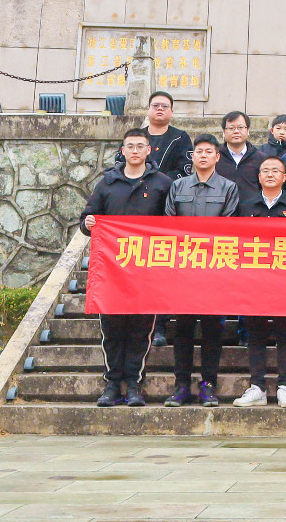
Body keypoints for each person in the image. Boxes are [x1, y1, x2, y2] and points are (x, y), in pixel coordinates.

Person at [80, 130, 171, 407]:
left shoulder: (162, 183)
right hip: (111, 272)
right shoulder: (107, 182)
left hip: (147, 271)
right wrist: (88, 223)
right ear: (123, 150)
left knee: (140, 330)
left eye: (140, 146)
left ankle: (134, 384)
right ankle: (111, 384)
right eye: (130, 146)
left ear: (148, 150)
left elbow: (172, 223)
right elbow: (87, 218)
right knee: (112, 329)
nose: (135, 150)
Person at [163, 135, 239, 405]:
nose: (203, 155)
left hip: (214, 271)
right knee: (182, 329)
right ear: (192, 156)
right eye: (199, 151)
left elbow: (229, 225)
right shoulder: (177, 186)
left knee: (212, 330)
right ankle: (181, 385)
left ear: (217, 157)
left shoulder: (229, 188)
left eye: (209, 151)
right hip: (183, 271)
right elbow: (169, 224)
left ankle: (208, 385)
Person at [231, 155, 286, 407]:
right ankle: (258, 387)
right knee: (255, 333)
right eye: (265, 170)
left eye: (276, 170)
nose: (270, 174)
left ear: (284, 177)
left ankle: (285, 386)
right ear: (259, 177)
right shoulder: (246, 207)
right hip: (254, 281)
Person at [142, 91, 194, 177]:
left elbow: (183, 170)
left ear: (171, 112)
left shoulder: (180, 138)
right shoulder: (135, 136)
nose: (160, 108)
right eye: (155, 105)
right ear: (148, 110)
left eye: (165, 106)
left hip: (169, 184)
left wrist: (159, 181)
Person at [217, 111, 263, 198]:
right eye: (231, 128)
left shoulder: (261, 158)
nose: (236, 131)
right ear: (224, 132)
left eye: (240, 127)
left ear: (248, 130)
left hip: (251, 206)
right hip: (221, 206)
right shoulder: (215, 157)